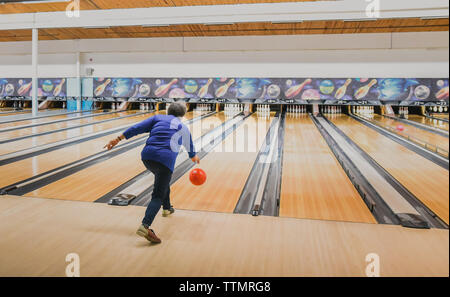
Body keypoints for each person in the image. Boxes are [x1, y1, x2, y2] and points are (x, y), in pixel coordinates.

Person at [104, 102, 200, 243]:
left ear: (168, 111)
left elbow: (136, 128)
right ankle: (145, 226)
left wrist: (117, 139)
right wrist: (194, 157)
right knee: (157, 195)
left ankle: (167, 208)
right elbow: (190, 149)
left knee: (162, 180)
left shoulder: (157, 118)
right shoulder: (183, 127)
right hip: (165, 161)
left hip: (147, 157)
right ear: (183, 115)